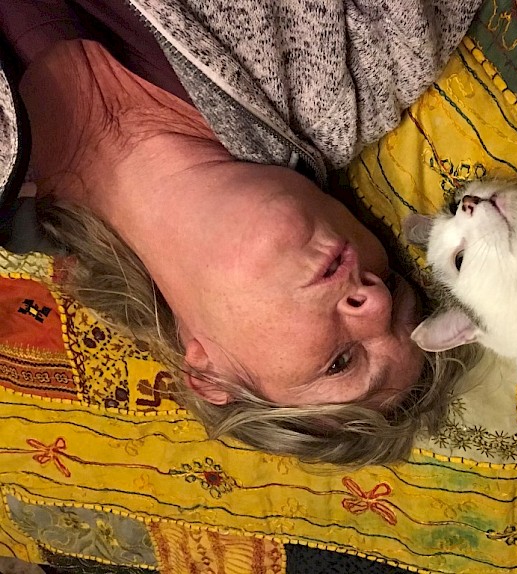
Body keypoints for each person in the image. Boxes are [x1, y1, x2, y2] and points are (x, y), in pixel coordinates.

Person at [0, 0, 482, 464]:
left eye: (340, 361)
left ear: (212, 376)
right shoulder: (365, 70)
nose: (374, 302)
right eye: (395, 288)